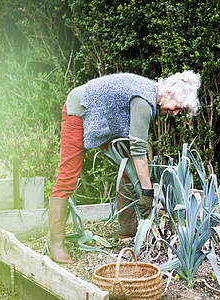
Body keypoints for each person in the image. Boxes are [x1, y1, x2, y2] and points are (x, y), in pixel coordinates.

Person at [47, 71, 201, 264]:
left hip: (104, 119)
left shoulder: (153, 94)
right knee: (68, 175)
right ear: (168, 93)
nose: (176, 113)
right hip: (81, 109)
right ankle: (55, 243)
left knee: (128, 171)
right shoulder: (144, 101)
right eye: (177, 107)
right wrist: (147, 192)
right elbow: (138, 150)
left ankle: (127, 232)